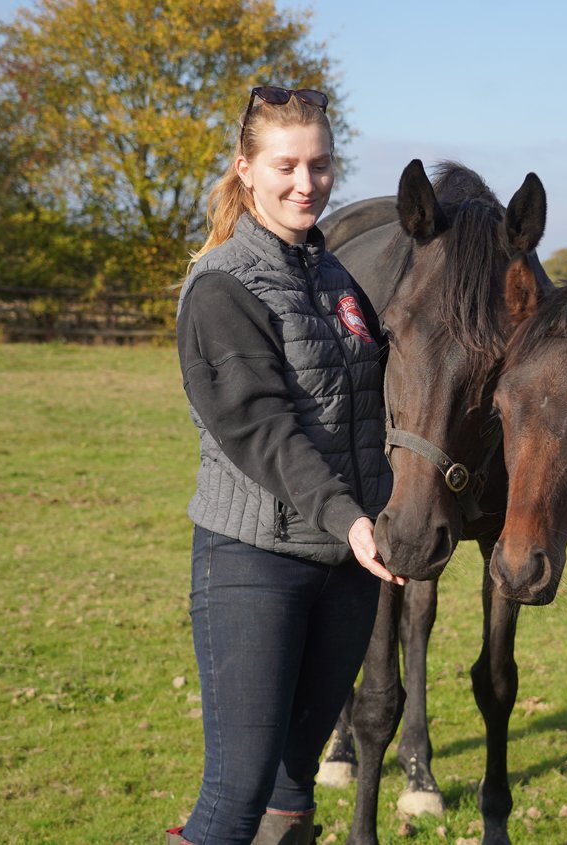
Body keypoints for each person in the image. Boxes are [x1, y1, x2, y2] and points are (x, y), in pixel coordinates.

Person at [166, 84, 404, 845]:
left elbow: (380, 401)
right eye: (287, 165)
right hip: (255, 564)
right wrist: (349, 517)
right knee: (235, 797)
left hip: (346, 568)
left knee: (294, 785)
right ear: (245, 170)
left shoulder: (334, 279)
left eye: (321, 164)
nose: (308, 183)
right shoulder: (223, 285)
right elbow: (261, 430)